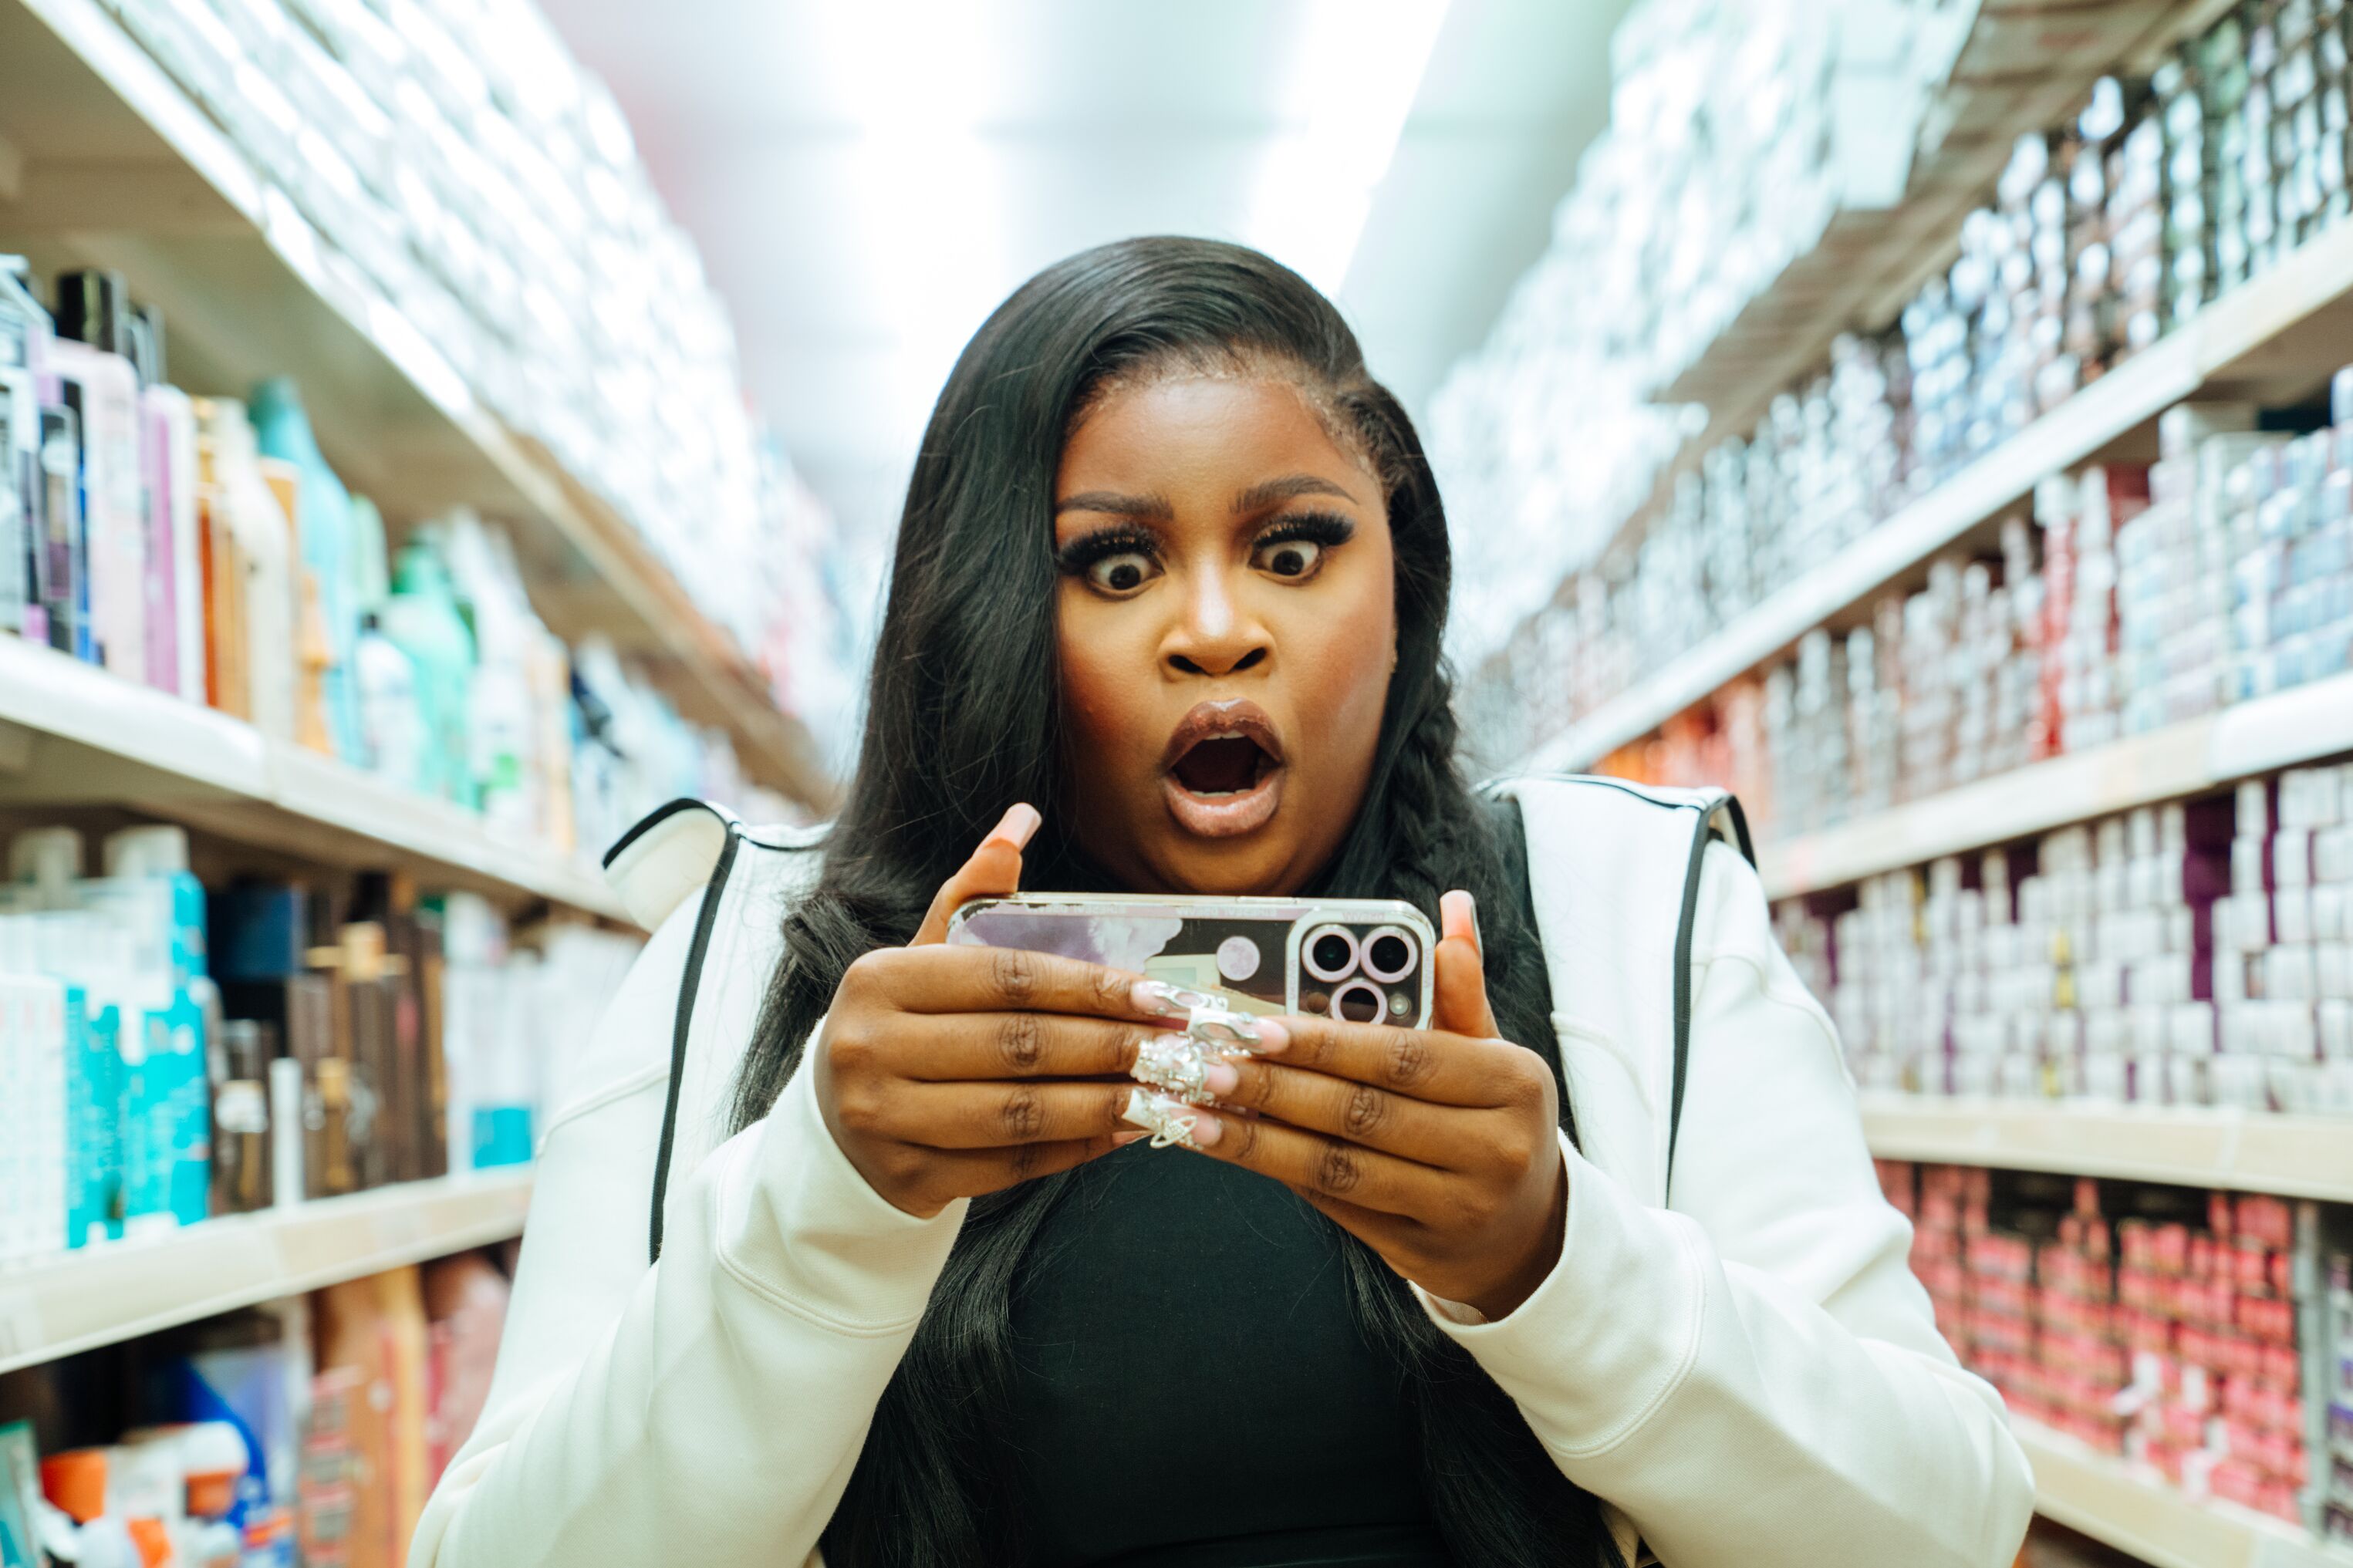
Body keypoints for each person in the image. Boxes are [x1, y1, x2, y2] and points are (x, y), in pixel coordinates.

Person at [409, 237, 2034, 1568]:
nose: (1213, 630)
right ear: (988, 619)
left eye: (1295, 548)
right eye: (1113, 566)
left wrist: (1547, 1256)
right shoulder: (756, 971)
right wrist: (829, 1196)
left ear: (1401, 589)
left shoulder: (1628, 911)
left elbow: (1942, 1528)